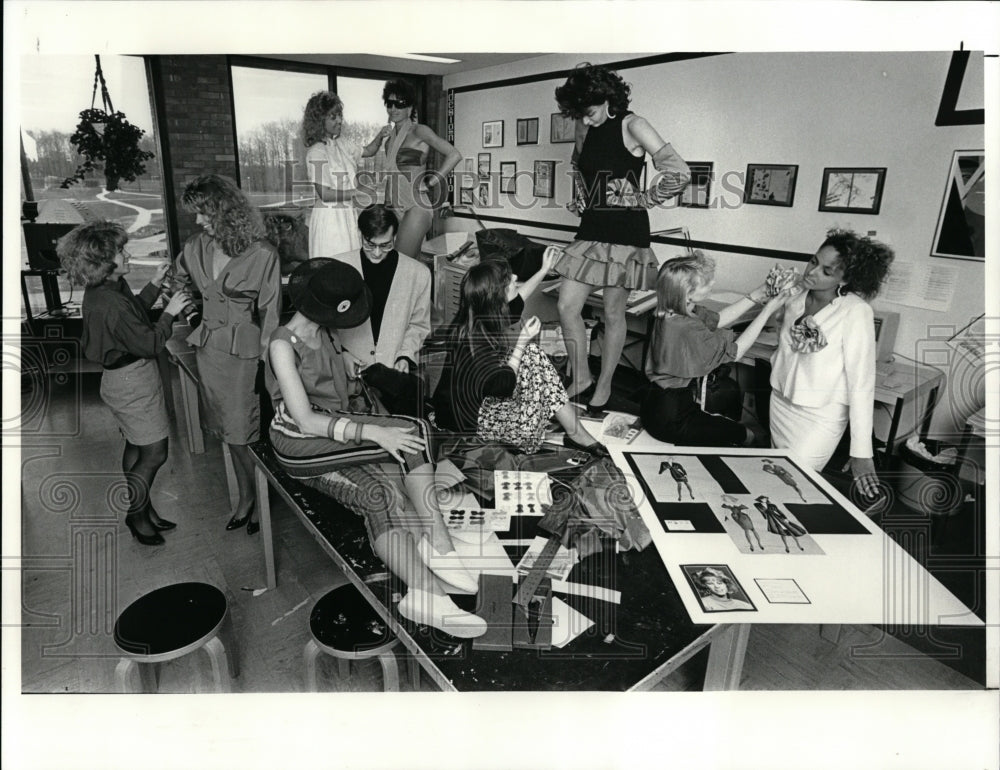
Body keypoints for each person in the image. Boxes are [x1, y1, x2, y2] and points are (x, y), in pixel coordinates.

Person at [266, 259, 485, 637]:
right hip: (299, 441)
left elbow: (334, 375)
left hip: (332, 427)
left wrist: (350, 367)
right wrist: (375, 434)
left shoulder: (326, 334)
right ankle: (434, 575)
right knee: (397, 458)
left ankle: (432, 568)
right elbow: (305, 421)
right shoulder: (282, 344)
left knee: (386, 482)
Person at [552, 63, 691, 413]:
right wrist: (585, 198)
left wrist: (644, 199)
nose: (585, 121)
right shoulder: (586, 129)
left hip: (626, 233)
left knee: (614, 312)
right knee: (567, 305)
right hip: (592, 228)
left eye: (590, 112)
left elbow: (680, 171)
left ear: (607, 98)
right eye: (579, 115)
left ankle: (604, 383)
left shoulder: (634, 125)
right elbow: (589, 175)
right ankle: (581, 376)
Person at [59, 221, 192, 546]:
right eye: (120, 251)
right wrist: (171, 312)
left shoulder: (107, 289)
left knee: (136, 444)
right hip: (132, 382)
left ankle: (143, 510)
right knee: (155, 453)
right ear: (103, 262)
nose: (127, 254)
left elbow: (133, 318)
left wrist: (154, 286)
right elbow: (148, 343)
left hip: (123, 379)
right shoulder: (112, 302)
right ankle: (136, 514)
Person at [176, 174, 282, 534]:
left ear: (223, 210)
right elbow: (175, 282)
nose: (197, 221)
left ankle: (253, 499)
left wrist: (267, 366)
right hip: (209, 352)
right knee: (227, 433)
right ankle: (252, 496)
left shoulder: (263, 254)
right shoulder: (194, 247)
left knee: (242, 433)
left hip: (244, 358)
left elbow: (271, 315)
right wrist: (191, 312)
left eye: (203, 213)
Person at [433, 251, 604, 456]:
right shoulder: (475, 339)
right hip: (469, 425)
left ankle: (575, 432)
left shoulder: (482, 314)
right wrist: (522, 340)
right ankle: (575, 433)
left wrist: (543, 270)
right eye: (508, 279)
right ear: (497, 296)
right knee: (530, 354)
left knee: (532, 357)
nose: (515, 278)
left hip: (474, 408)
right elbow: (502, 387)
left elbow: (519, 297)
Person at [769, 228, 894, 498]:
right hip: (780, 403)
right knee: (776, 474)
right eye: (813, 261)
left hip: (819, 416)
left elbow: (862, 383)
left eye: (826, 271)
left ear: (846, 277)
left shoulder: (856, 312)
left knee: (794, 485)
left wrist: (861, 452)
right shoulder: (795, 297)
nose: (812, 272)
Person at [641, 251, 794, 446]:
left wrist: (757, 294)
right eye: (706, 283)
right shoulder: (687, 327)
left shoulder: (676, 312)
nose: (712, 283)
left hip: (656, 404)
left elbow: (719, 320)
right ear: (687, 293)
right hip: (672, 416)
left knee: (734, 430)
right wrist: (768, 310)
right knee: (747, 435)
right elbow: (736, 351)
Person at [362, 79, 461, 259]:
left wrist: (430, 182)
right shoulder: (390, 138)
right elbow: (368, 153)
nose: (393, 108)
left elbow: (454, 154)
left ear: (409, 108)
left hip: (416, 206)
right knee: (411, 264)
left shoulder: (419, 131)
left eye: (399, 104)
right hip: (393, 206)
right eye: (389, 103)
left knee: (400, 263)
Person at [332, 205, 431, 377]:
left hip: (392, 370)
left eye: (385, 245)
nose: (377, 253)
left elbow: (418, 325)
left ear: (395, 236)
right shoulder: (338, 268)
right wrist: (342, 354)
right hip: (350, 370)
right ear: (360, 235)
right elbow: (326, 324)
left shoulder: (418, 274)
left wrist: (405, 356)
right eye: (370, 245)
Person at [302, 90, 363, 259]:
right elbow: (325, 194)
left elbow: (369, 150)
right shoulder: (316, 152)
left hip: (346, 215)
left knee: (350, 267)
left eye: (339, 116)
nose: (339, 121)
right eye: (333, 117)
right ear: (320, 121)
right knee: (334, 268)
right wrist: (356, 192)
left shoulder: (340, 145)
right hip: (330, 220)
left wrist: (382, 135)